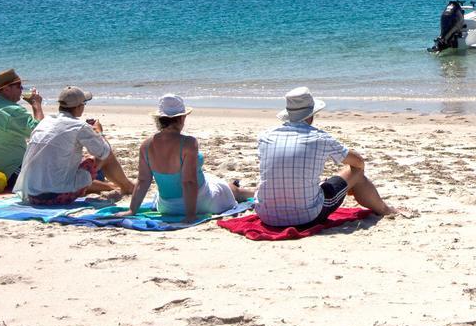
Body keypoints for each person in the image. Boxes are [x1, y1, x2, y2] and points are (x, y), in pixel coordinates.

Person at [254, 86, 397, 228]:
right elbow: (358, 162)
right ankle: (385, 209)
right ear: (311, 114)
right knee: (356, 171)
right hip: (307, 216)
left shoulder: (265, 136)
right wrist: (354, 182)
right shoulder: (320, 138)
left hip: (266, 215)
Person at [125, 95, 252, 221]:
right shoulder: (188, 143)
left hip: (167, 207)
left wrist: (132, 210)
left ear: (159, 119)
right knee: (231, 189)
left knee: (214, 181)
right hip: (201, 202)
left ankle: (249, 191)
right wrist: (190, 215)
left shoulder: (146, 145)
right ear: (181, 118)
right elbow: (188, 181)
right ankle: (253, 192)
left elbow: (143, 181)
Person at [15, 86, 135, 204]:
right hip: (57, 195)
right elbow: (104, 151)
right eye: (83, 104)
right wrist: (99, 133)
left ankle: (114, 186)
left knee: (71, 164)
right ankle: (127, 186)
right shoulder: (79, 126)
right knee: (106, 155)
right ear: (78, 107)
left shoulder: (45, 122)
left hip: (32, 195)